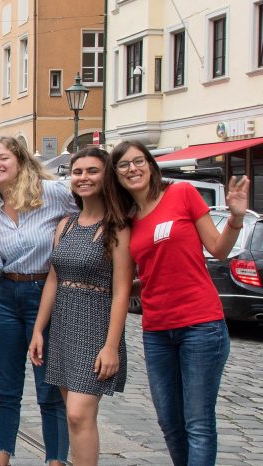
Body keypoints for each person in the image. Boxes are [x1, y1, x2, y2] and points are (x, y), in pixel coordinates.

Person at [111, 140, 246, 465]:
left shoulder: (181, 194)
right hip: (157, 331)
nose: (133, 168)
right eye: (124, 165)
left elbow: (218, 250)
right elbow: (130, 283)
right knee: (170, 424)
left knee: (197, 423)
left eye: (139, 161)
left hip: (200, 325)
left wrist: (236, 218)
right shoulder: (129, 220)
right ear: (116, 176)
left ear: (151, 165)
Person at [0, 135, 75, 466]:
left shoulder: (52, 194)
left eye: (2, 158)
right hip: (6, 295)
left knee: (49, 388)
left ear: (21, 161)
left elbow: (89, 216)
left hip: (47, 294)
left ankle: (56, 460)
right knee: (6, 389)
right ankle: (1, 461)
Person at [29, 147, 132, 466]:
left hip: (96, 329)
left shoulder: (118, 227)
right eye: (77, 172)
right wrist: (38, 330)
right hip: (63, 327)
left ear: (107, 177)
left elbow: (122, 291)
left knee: (78, 413)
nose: (83, 177)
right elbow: (53, 280)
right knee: (75, 418)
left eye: (92, 171)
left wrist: (111, 346)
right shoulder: (66, 224)